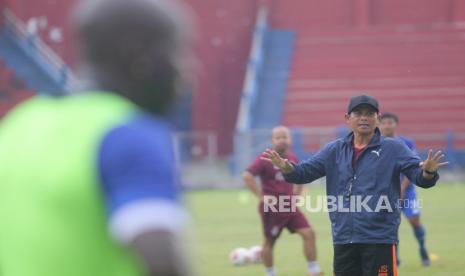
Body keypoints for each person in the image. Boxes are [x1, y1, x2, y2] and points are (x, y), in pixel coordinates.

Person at [0, 0, 193, 275]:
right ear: (139, 55)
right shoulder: (129, 134)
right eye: (177, 53)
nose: (185, 70)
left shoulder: (18, 126)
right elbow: (162, 261)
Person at [261, 95, 447, 276]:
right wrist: (287, 168)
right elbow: (304, 173)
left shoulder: (394, 148)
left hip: (379, 238)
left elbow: (419, 177)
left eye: (369, 113)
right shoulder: (334, 150)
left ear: (378, 118)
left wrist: (428, 172)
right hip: (344, 237)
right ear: (347, 118)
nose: (364, 118)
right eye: (358, 113)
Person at [243, 126, 323, 276]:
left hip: (289, 206)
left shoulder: (292, 158)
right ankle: (270, 273)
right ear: (272, 141)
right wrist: (261, 197)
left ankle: (314, 271)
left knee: (309, 233)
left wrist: (297, 196)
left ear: (290, 140)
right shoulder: (265, 158)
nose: (282, 140)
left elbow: (300, 177)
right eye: (278, 137)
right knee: (269, 242)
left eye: (285, 137)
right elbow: (247, 175)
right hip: (272, 208)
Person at [380, 112, 431, 266]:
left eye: (390, 122)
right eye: (384, 123)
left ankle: (422, 248)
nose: (387, 126)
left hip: (407, 192)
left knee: (414, 221)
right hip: (386, 193)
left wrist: (402, 189)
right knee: (390, 225)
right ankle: (396, 258)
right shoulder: (377, 143)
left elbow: (412, 168)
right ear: (379, 125)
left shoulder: (406, 143)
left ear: (396, 124)